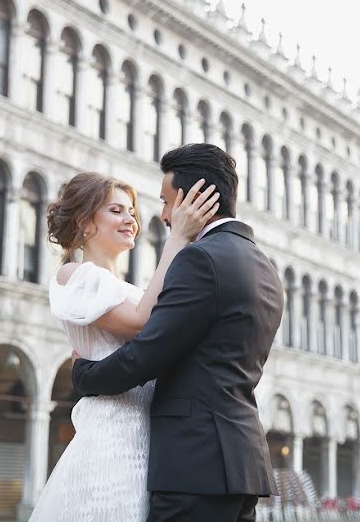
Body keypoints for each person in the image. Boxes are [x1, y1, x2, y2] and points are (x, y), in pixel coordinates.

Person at [72, 143, 285, 522]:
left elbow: (148, 353)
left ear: (196, 198)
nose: (165, 215)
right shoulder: (264, 266)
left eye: (167, 202)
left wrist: (83, 374)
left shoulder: (200, 258)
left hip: (195, 465)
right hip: (243, 463)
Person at [27, 171, 220, 522]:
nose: (130, 219)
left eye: (130, 211)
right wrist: (176, 239)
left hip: (149, 438)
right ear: (85, 223)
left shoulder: (128, 288)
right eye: (116, 210)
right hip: (112, 440)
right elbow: (142, 324)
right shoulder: (75, 274)